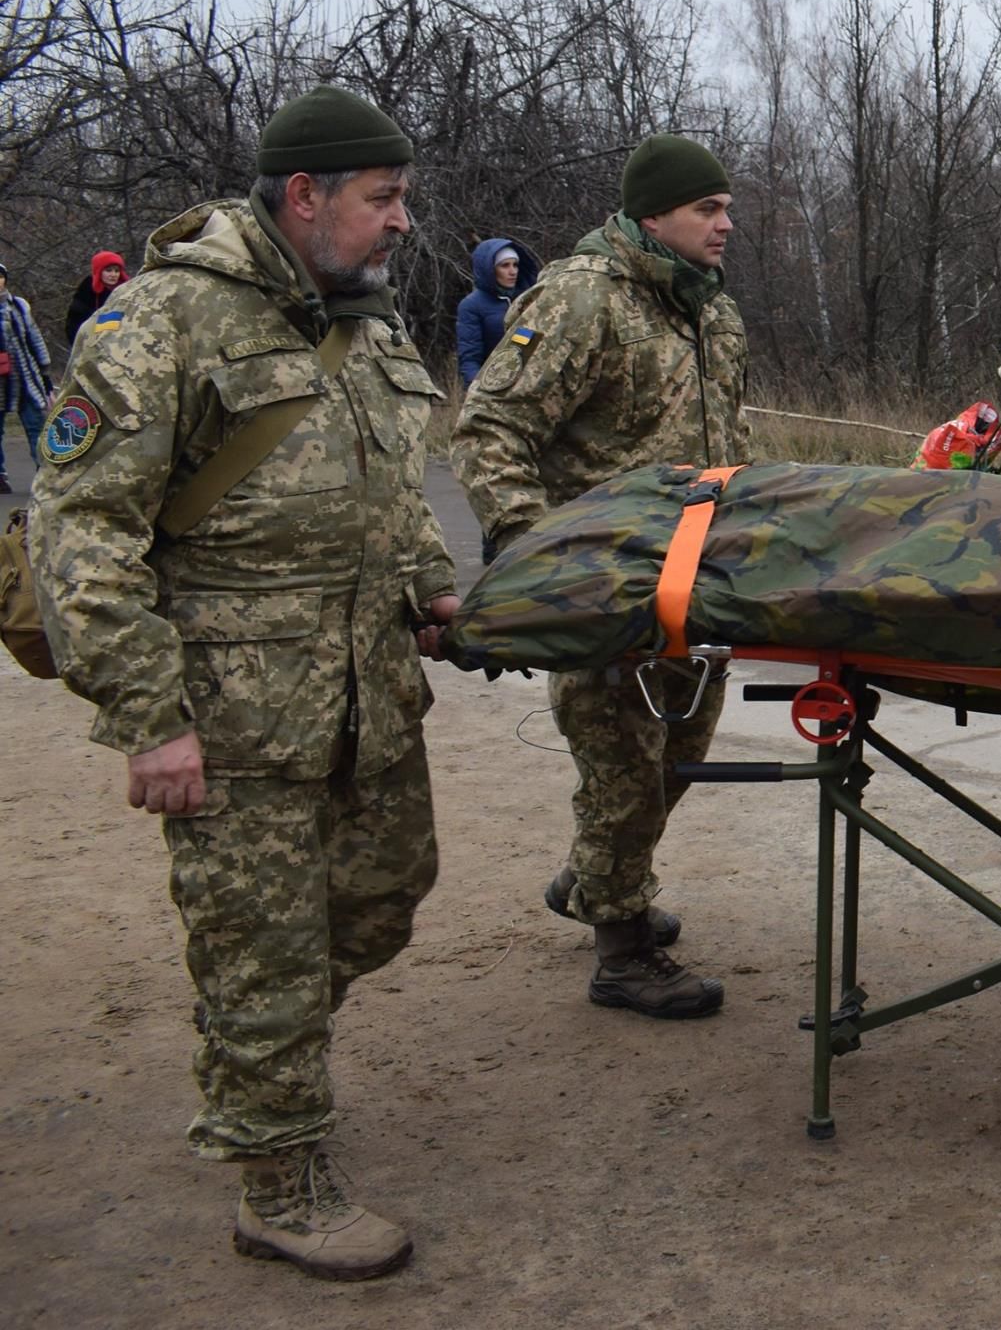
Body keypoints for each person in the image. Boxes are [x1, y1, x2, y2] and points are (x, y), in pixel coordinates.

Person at [28, 84, 459, 1280]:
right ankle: (280, 1177)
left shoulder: (366, 326)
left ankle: (257, 1064)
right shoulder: (157, 323)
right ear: (305, 196)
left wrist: (435, 588)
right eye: (383, 198)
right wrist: (149, 720)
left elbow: (394, 495)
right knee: (261, 947)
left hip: (367, 699)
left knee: (385, 891)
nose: (403, 221)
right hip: (234, 723)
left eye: (405, 197)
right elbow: (82, 535)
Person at [451, 133, 750, 1020]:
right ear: (653, 215)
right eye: (708, 208)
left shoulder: (713, 312)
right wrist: (535, 549)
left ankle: (595, 879)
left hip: (698, 587)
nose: (726, 223)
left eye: (727, 207)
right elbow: (491, 427)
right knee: (621, 764)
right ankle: (620, 950)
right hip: (609, 588)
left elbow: (728, 444)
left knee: (677, 758)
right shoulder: (584, 299)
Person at [454, 237, 538, 385]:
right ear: (490, 269)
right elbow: (470, 356)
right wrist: (476, 392)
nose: (512, 271)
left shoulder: (528, 299)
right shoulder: (471, 305)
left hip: (530, 384)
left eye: (515, 265)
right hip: (493, 385)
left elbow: (529, 342)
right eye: (505, 265)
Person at [0, 262, 54, 493]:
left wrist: (45, 371)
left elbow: (34, 338)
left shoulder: (19, 306)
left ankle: (46, 474)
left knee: (36, 426)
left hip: (24, 377)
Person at [65, 251, 130, 343]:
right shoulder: (86, 292)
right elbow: (74, 323)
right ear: (99, 271)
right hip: (92, 343)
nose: (113, 275)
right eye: (108, 270)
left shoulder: (127, 292)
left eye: (117, 271)